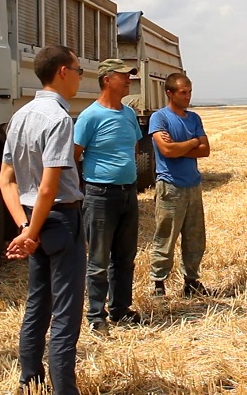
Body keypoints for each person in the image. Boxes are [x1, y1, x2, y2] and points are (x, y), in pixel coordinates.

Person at [0, 45, 86, 395]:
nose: (80, 76)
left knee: (38, 303)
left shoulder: (20, 116)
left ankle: (30, 379)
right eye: (78, 69)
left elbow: (5, 179)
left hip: (33, 221)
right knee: (66, 312)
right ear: (63, 71)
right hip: (60, 220)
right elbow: (50, 187)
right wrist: (31, 231)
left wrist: (24, 228)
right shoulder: (60, 120)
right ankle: (65, 388)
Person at [74, 59, 143, 335]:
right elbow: (74, 156)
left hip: (129, 193)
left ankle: (120, 309)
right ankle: (95, 315)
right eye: (123, 76)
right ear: (106, 80)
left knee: (125, 257)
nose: (128, 81)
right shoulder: (90, 117)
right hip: (100, 195)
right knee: (99, 259)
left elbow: (134, 147)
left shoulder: (128, 114)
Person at [148, 72, 211, 297]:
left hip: (193, 185)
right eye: (183, 92)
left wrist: (183, 145)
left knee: (195, 238)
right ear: (169, 93)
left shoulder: (193, 118)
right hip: (170, 186)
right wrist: (194, 142)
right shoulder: (160, 118)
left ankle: (192, 282)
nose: (188, 97)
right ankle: (158, 284)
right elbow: (167, 151)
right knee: (165, 236)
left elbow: (205, 150)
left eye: (190, 92)